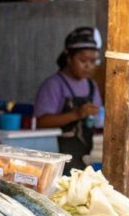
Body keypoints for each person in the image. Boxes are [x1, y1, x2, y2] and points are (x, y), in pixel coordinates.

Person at [34, 27, 102, 171]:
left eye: (93, 61)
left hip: (87, 156)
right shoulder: (53, 85)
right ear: (69, 57)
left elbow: (97, 121)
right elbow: (42, 122)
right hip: (59, 158)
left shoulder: (91, 85)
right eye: (83, 60)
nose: (88, 66)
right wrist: (76, 114)